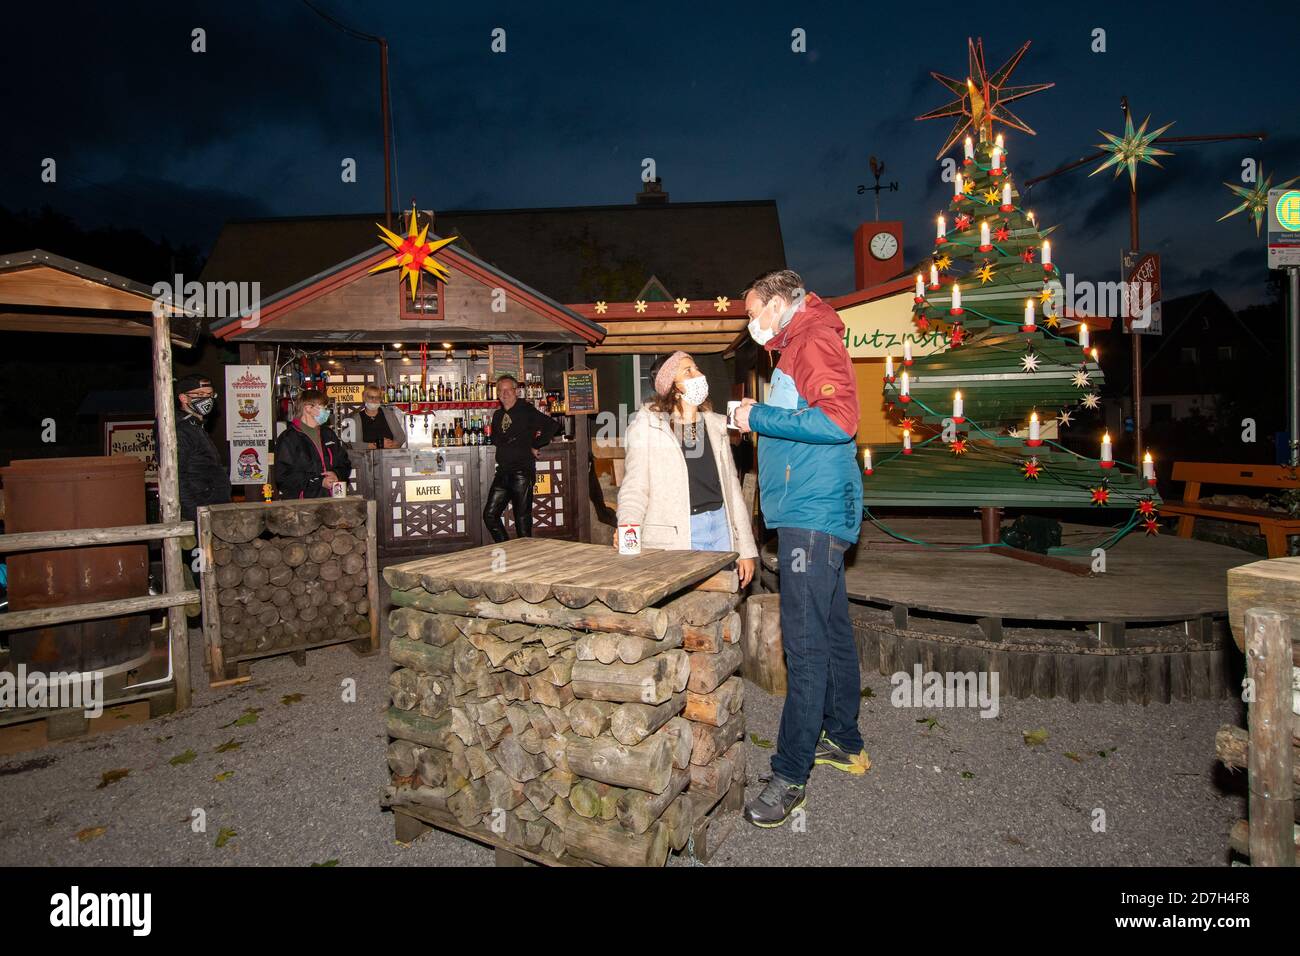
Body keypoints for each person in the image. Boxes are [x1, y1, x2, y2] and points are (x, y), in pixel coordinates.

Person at [732, 268, 868, 828]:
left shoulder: (811, 337)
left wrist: (755, 415)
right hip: (816, 513)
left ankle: (789, 776)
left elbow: (839, 419)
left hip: (813, 517)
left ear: (779, 302)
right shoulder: (797, 343)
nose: (748, 323)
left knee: (805, 645)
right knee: (832, 631)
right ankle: (845, 741)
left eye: (750, 311)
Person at [616, 352, 757, 585]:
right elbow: (634, 488)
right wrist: (627, 533)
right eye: (688, 371)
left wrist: (746, 548)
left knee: (722, 606)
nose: (699, 375)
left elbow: (732, 489)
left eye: (697, 368)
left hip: (721, 526)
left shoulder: (714, 425)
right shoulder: (647, 428)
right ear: (673, 387)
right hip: (679, 532)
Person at [173, 374, 231, 618]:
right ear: (184, 398)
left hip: (209, 509)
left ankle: (211, 614)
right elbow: (178, 476)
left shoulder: (196, 426)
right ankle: (205, 616)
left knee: (212, 569)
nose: (207, 401)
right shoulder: (181, 429)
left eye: (210, 396)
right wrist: (192, 513)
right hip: (198, 512)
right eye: (201, 396)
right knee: (202, 571)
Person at [483, 374, 560, 542]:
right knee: (490, 515)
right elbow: (497, 438)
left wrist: (535, 445)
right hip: (502, 472)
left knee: (521, 519)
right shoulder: (497, 415)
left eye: (508, 390)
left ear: (516, 391)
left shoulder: (526, 409)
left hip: (521, 472)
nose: (504, 394)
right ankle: (507, 548)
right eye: (500, 391)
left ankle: (526, 559)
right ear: (497, 394)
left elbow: (552, 425)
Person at [273, 389, 352, 499]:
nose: (326, 412)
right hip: (303, 504)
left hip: (332, 499)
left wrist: (336, 474)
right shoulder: (289, 438)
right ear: (308, 408)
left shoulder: (328, 434)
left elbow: (344, 463)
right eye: (323, 408)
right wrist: (318, 481)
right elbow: (283, 477)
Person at [344, 384, 406, 455]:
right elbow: (355, 444)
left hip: (390, 456)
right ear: (364, 398)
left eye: (377, 397)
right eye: (371, 397)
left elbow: (401, 437)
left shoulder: (389, 414)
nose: (374, 400)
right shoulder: (356, 418)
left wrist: (393, 444)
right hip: (366, 459)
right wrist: (378, 445)